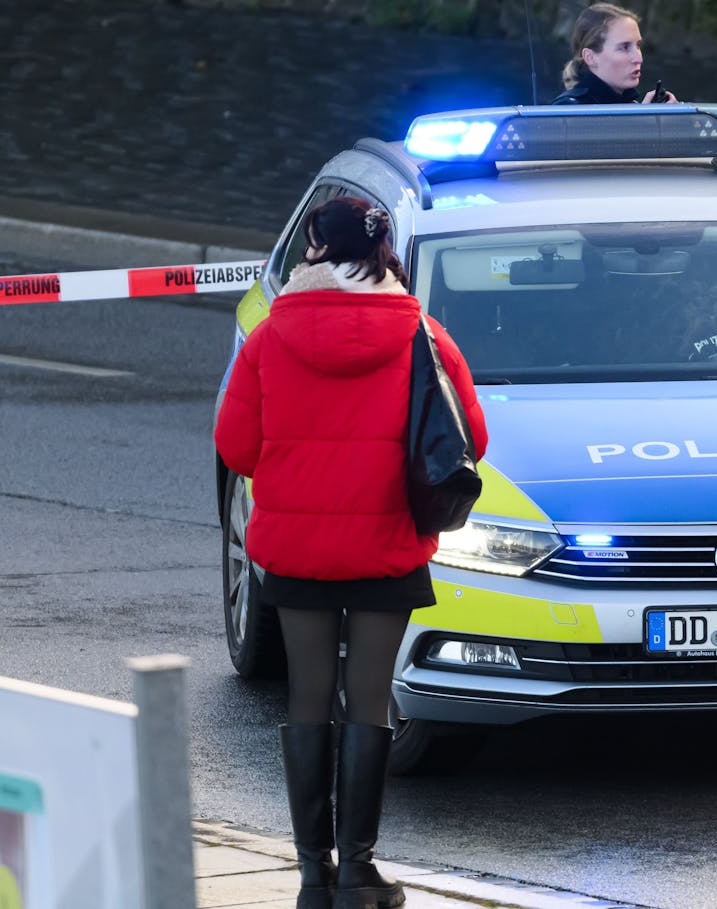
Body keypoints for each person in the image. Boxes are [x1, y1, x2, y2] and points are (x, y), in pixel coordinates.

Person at [215, 197, 488, 909]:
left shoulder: (272, 337)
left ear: (314, 247)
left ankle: (312, 873)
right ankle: (358, 872)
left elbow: (236, 446)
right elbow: (469, 437)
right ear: (383, 250)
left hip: (298, 551)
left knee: (308, 695)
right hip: (387, 545)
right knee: (368, 699)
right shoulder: (422, 332)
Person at [552, 3, 678, 105]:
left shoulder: (630, 105)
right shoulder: (568, 111)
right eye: (624, 47)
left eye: (638, 45)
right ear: (590, 58)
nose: (638, 58)